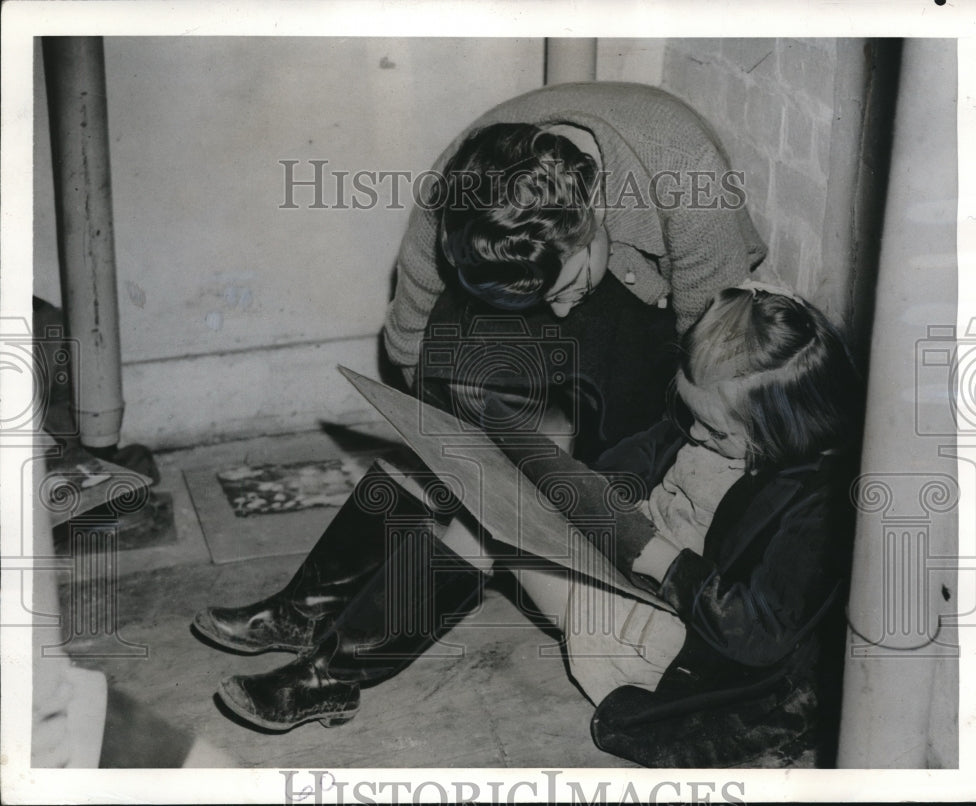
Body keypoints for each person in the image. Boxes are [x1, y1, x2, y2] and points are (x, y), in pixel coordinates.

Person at [193, 81, 768, 661]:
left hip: (668, 311)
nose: (561, 312)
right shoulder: (466, 179)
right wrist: (437, 435)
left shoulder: (685, 172)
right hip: (586, 264)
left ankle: (347, 665)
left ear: (594, 210)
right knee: (455, 427)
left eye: (568, 288)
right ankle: (305, 610)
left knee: (535, 462)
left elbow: (711, 345)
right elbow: (416, 308)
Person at [207, 283, 862, 767]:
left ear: (785, 429)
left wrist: (660, 557)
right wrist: (603, 495)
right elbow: (650, 448)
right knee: (436, 466)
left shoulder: (818, 505)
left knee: (480, 524)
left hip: (672, 636)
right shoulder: (724, 427)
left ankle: (331, 675)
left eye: (711, 428)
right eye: (687, 410)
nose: (690, 430)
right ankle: (309, 613)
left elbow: (757, 637)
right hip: (626, 562)